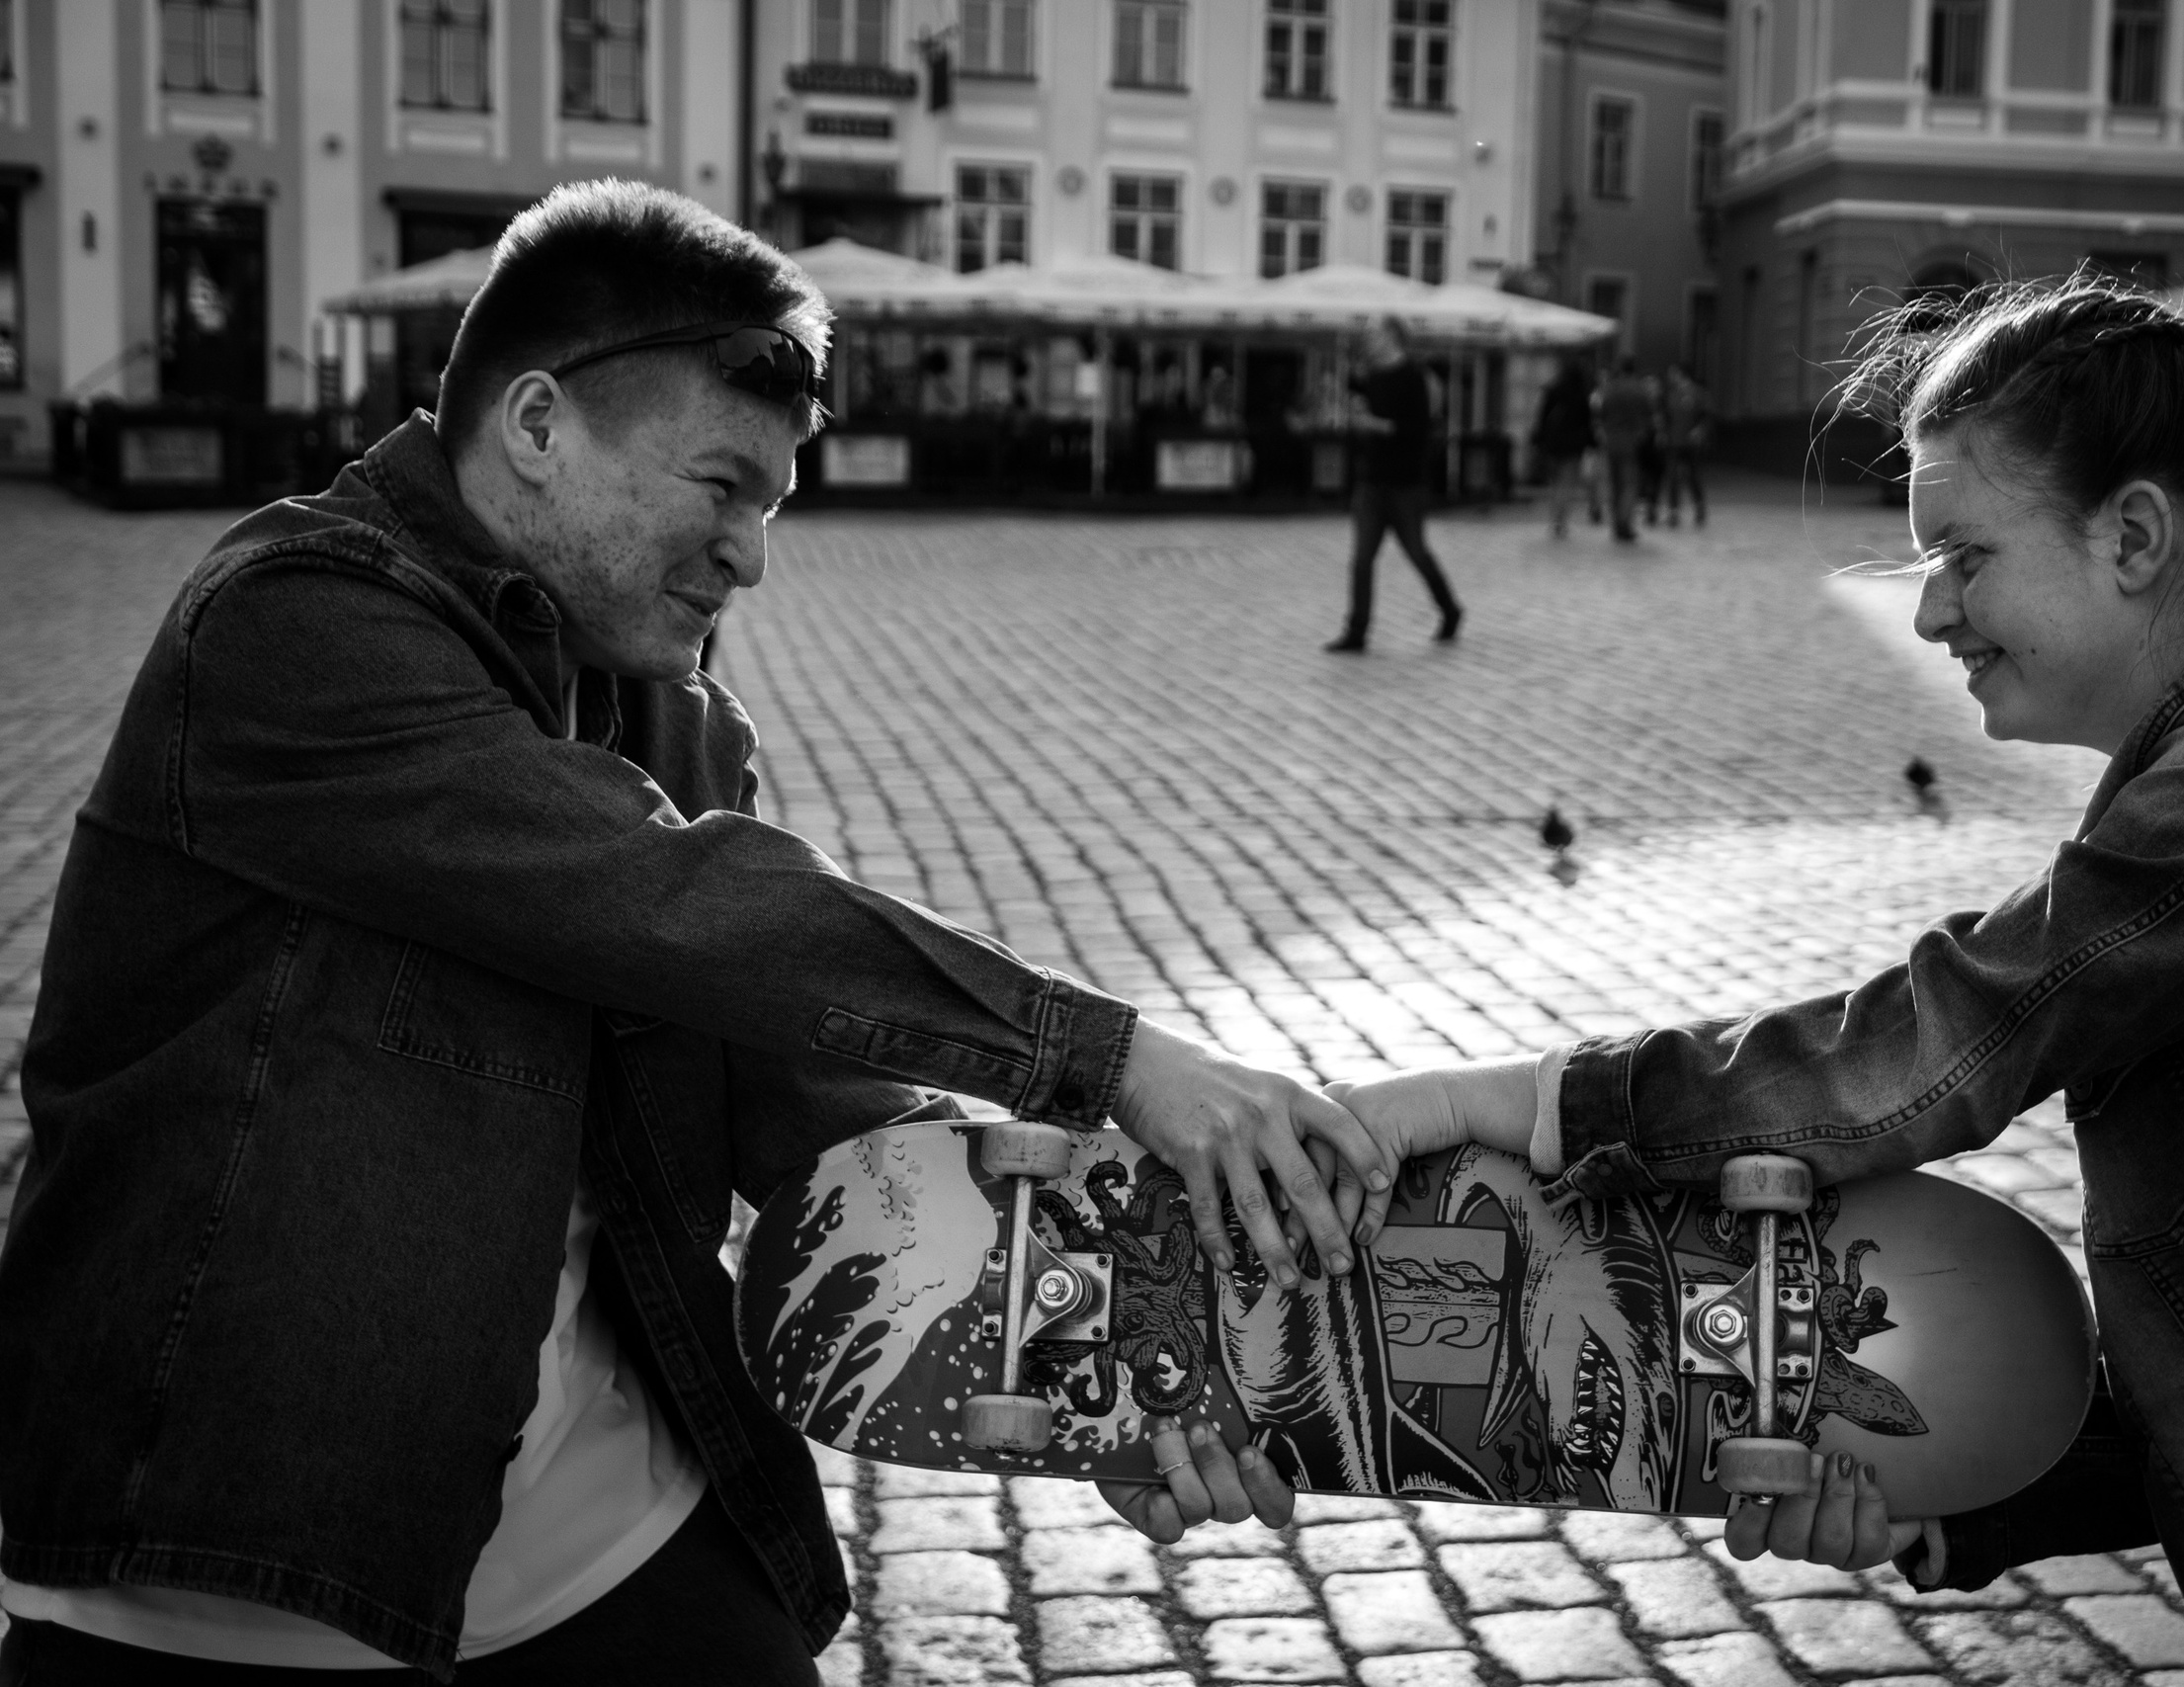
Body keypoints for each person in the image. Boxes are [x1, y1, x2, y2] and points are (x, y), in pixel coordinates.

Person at [0, 181, 1386, 1685]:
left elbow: (810, 1108)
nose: (751, 555)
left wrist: (1095, 1381)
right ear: (537, 424)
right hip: (234, 1572)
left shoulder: (673, 710)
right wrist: (1106, 1054)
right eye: (720, 486)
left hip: (605, 1528)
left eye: (772, 505)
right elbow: (675, 900)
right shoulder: (287, 622)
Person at [1123, 278, 2184, 1686]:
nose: (1930, 610)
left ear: (2137, 536)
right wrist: (1947, 1493)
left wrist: (1516, 1096)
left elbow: (1950, 1034)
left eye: (1966, 554)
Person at [1326, 318, 1462, 652]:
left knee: (1417, 553)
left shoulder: (1414, 378)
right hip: (1371, 481)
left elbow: (1417, 430)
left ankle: (1450, 610)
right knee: (1361, 559)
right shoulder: (1372, 376)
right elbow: (1363, 419)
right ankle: (1356, 630)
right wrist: (1352, 412)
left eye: (1376, 335)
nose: (1371, 340)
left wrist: (1373, 424)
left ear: (1393, 338)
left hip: (1405, 484)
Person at [1529, 358, 1597, 539]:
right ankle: (1561, 520)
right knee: (1567, 483)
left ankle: (1555, 519)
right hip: (1574, 444)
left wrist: (1539, 439)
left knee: (1555, 482)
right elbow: (1587, 422)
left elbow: (1542, 418)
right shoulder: (1582, 393)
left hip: (1554, 443)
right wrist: (1591, 442)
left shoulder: (1553, 390)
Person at [1592, 356, 1658, 543]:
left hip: (1611, 440)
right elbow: (1650, 415)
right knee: (1630, 483)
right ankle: (1624, 522)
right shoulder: (1640, 389)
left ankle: (1616, 523)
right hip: (1632, 441)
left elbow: (1601, 413)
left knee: (1615, 484)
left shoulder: (1610, 389)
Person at [1656, 363, 1711, 528]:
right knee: (1672, 476)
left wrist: (1699, 430)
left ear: (1681, 374)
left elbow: (1707, 416)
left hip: (1691, 443)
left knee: (1693, 475)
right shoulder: (1670, 394)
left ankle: (1699, 507)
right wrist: (1663, 432)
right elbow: (1664, 416)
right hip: (1674, 441)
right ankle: (1674, 512)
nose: (1670, 377)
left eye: (1673, 373)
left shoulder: (1698, 393)